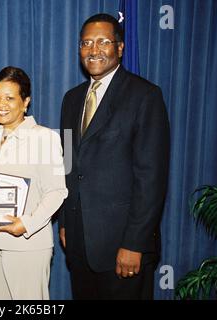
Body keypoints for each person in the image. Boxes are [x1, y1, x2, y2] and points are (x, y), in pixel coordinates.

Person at [59, 14, 170, 299]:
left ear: (120, 48)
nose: (93, 49)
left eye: (103, 41)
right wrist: (65, 223)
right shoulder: (72, 99)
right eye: (86, 42)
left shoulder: (145, 96)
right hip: (80, 244)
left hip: (124, 247)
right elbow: (69, 164)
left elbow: (151, 178)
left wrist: (135, 243)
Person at [0, 66, 68, 299]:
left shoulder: (46, 138)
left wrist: (26, 224)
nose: (0, 104)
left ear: (25, 101)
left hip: (27, 244)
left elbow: (57, 192)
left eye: (9, 98)